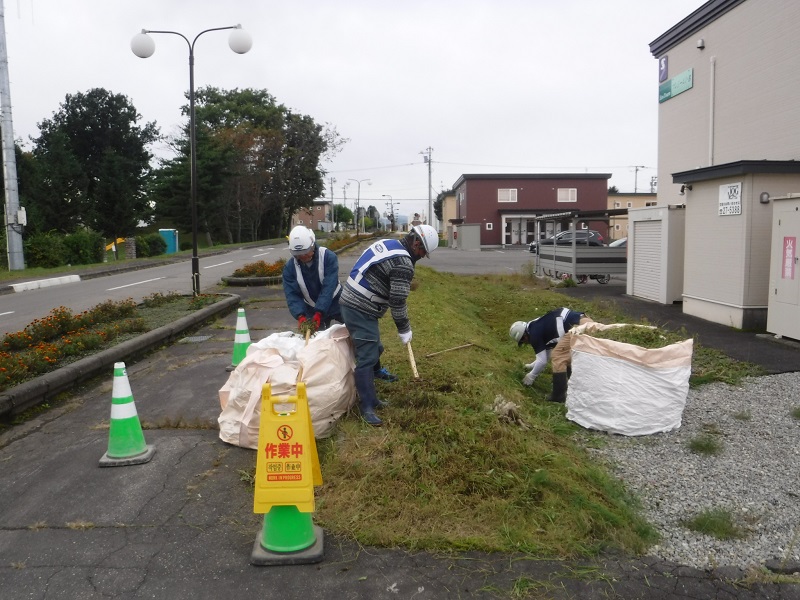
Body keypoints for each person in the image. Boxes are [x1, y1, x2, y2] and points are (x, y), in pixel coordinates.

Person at [340, 224, 439, 426]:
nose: (421, 256)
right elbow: (398, 301)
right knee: (367, 355)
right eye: (422, 251)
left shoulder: (390, 244)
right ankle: (367, 406)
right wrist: (404, 329)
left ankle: (373, 397)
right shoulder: (404, 263)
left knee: (375, 346)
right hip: (359, 305)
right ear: (416, 242)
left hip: (354, 299)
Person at [509, 307, 593, 403]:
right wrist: (532, 366)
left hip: (578, 326)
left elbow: (542, 361)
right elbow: (546, 354)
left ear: (524, 337)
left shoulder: (534, 335)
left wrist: (531, 376)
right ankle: (574, 388)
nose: (526, 343)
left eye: (523, 342)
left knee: (558, 356)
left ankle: (559, 396)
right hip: (585, 321)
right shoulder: (535, 326)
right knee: (567, 356)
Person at [282, 226, 342, 331]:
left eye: (306, 252)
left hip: (336, 301)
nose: (303, 257)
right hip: (311, 307)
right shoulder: (290, 268)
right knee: (314, 340)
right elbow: (292, 294)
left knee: (355, 327)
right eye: (298, 254)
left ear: (313, 245)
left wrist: (319, 312)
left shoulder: (328, 257)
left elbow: (328, 287)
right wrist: (300, 315)